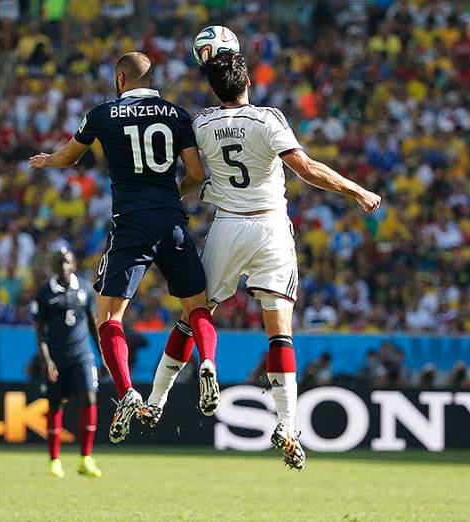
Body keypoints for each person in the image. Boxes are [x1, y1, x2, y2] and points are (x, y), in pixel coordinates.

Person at [143, 51, 381, 471]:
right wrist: (356, 191)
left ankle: (156, 401)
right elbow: (305, 169)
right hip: (270, 227)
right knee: (279, 332)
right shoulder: (268, 119)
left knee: (194, 314)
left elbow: (194, 175)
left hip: (227, 226)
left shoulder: (200, 123)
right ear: (247, 81)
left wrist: (174, 197)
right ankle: (287, 425)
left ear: (213, 89)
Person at [29, 52, 219, 444]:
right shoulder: (177, 115)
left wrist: (47, 161)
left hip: (131, 224)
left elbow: (68, 158)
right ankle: (209, 364)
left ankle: (128, 391)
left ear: (120, 79)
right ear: (152, 79)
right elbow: (197, 174)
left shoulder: (102, 114)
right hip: (171, 220)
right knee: (197, 307)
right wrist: (173, 197)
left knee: (109, 317)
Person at [32, 249, 102, 478]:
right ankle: (54, 460)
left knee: (90, 396)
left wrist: (104, 355)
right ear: (53, 265)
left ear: (74, 264)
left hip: (82, 354)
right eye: (60, 262)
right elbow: (39, 332)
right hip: (57, 357)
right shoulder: (45, 294)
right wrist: (47, 360)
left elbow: (93, 324)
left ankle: (86, 458)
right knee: (55, 404)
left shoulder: (84, 289)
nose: (63, 265)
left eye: (67, 261)